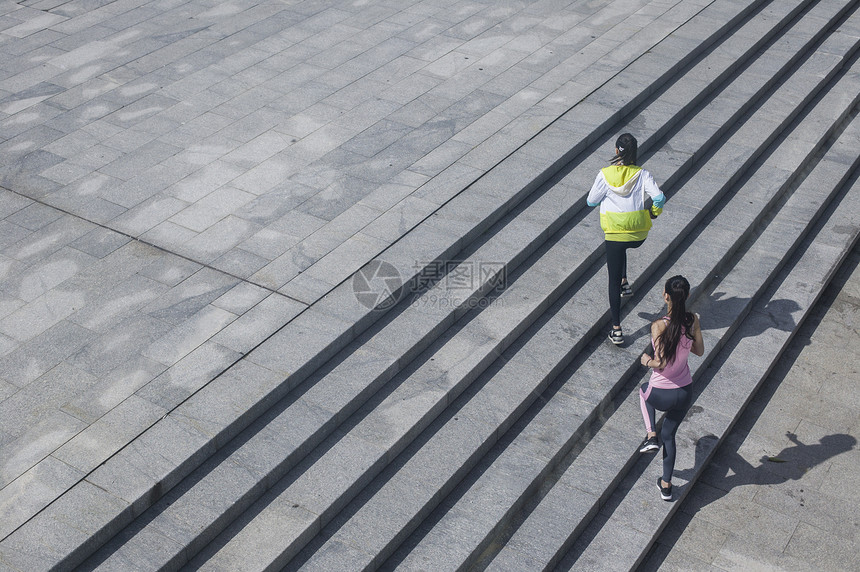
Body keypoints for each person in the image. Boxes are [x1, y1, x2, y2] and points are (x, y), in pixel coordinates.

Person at [587, 133, 665, 345]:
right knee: (623, 247)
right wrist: (654, 213)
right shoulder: (642, 174)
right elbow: (659, 197)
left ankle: (616, 329)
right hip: (638, 234)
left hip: (614, 233)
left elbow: (591, 201)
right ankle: (625, 282)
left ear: (616, 151)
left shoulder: (604, 174)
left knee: (612, 274)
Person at [638, 275, 705, 501]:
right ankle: (666, 486)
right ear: (686, 296)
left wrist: (646, 361)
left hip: (660, 393)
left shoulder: (658, 326)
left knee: (643, 391)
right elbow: (699, 351)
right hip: (684, 392)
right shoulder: (692, 320)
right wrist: (693, 330)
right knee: (670, 435)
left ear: (665, 296)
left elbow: (661, 363)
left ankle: (650, 436)